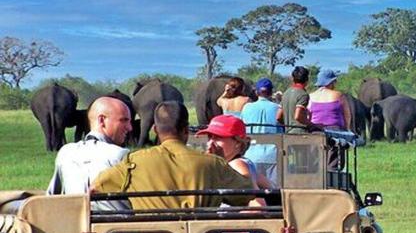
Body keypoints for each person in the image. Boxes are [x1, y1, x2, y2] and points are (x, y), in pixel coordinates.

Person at [92, 101, 258, 209]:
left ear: (155, 130)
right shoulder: (213, 164)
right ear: (186, 129)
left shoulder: (133, 162)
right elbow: (247, 193)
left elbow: (95, 189)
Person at [47, 96, 133, 211]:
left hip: (75, 226)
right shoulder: (121, 155)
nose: (130, 127)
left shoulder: (65, 153)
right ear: (102, 120)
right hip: (115, 226)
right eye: (124, 120)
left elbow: (51, 198)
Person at [195, 114, 274, 191]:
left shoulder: (236, 165)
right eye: (209, 136)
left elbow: (257, 202)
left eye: (218, 137)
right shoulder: (243, 163)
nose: (210, 143)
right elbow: (270, 188)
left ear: (238, 143)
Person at [241, 78, 283, 184]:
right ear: (271, 92)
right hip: (273, 155)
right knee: (274, 192)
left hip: (251, 155)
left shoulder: (247, 107)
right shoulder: (278, 108)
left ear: (256, 92)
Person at [282, 66, 312, 133]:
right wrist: (310, 124)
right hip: (300, 133)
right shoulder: (303, 94)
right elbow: (297, 116)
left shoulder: (286, 93)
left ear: (293, 79)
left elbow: (278, 116)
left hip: (287, 133)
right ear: (307, 79)